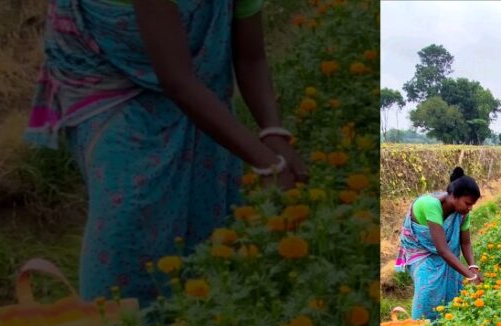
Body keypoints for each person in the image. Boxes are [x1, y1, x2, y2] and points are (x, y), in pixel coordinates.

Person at [25, 0, 309, 306]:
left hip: (193, 77)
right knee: (129, 207)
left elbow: (250, 57)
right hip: (108, 77)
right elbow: (178, 81)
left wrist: (274, 134)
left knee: (207, 214)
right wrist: (267, 162)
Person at [395, 167, 483, 320]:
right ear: (454, 196)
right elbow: (442, 250)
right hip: (420, 249)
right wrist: (469, 276)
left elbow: (466, 243)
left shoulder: (462, 214)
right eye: (467, 203)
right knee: (427, 290)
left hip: (443, 250)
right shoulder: (432, 205)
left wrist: (473, 268)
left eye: (472, 205)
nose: (470, 209)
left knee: (452, 287)